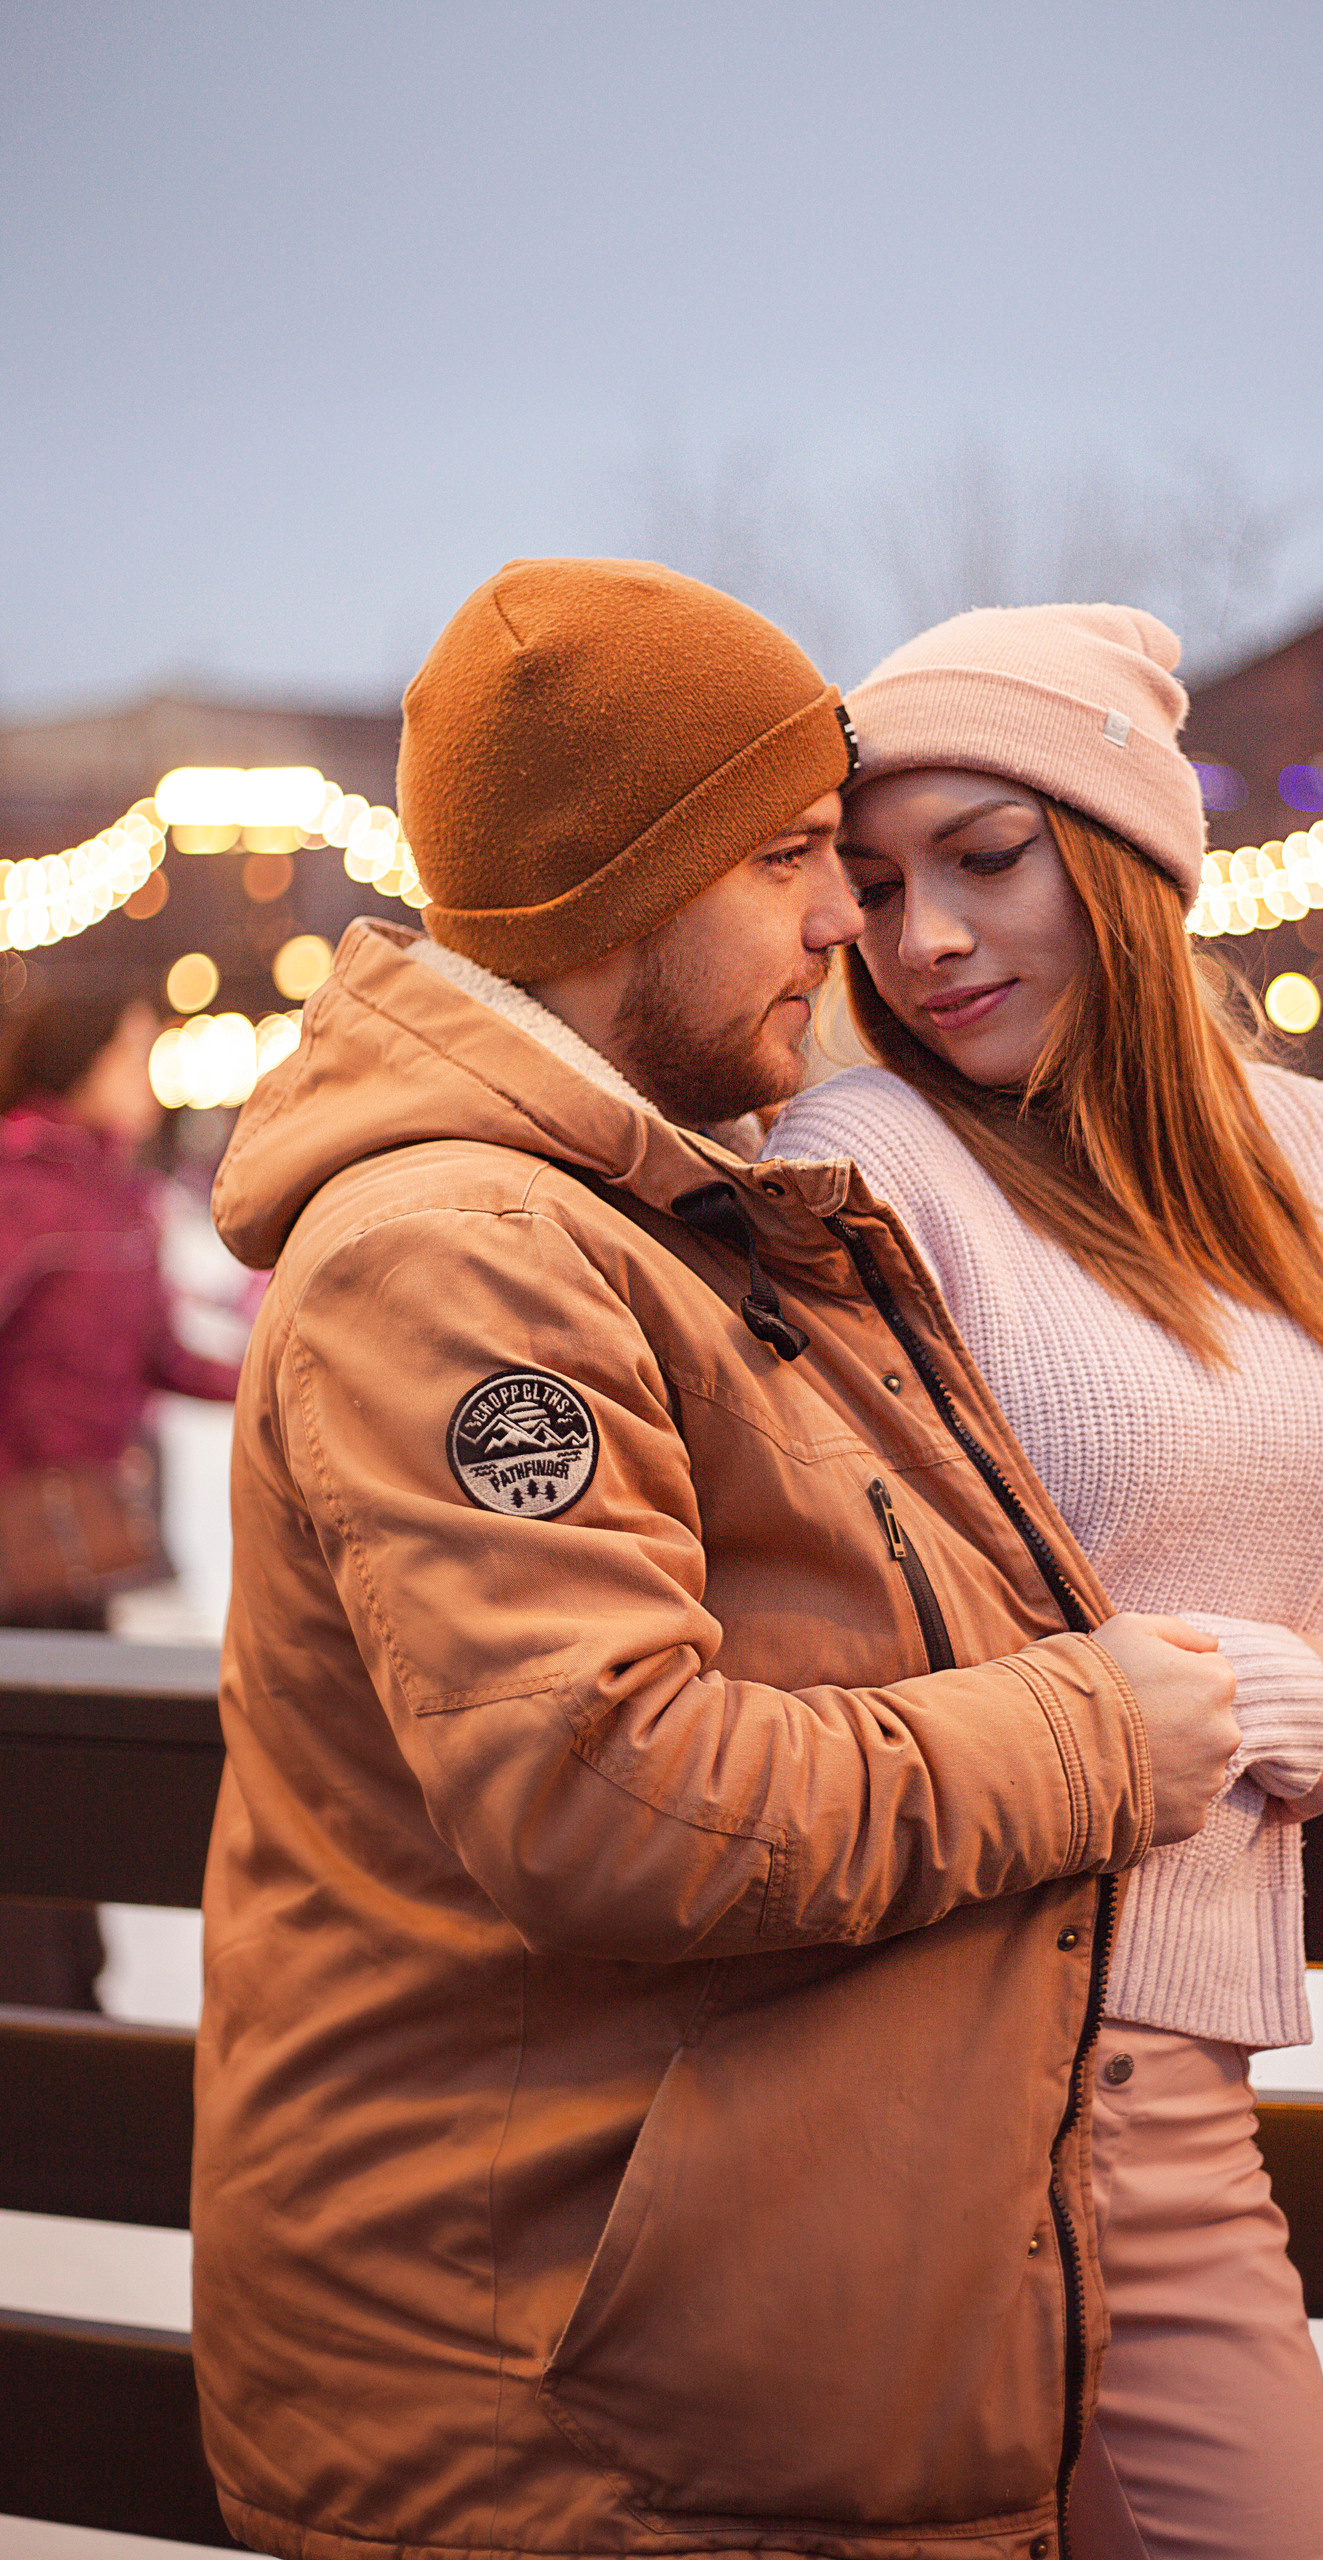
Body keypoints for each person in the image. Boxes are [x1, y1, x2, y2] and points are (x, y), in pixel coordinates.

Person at [192, 560, 1244, 2560]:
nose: (844, 918)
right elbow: (611, 1791)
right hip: (553, 2432)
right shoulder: (467, 1256)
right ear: (619, 885)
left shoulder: (661, 1206)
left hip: (698, 2374)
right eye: (785, 857)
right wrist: (1103, 1734)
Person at [767, 602, 1323, 2560]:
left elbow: (1271, 1575)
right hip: (944, 2064)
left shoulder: (1318, 1153)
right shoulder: (866, 1155)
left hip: (1158, 2065)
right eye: (873, 882)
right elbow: (871, 1617)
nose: (921, 935)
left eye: (985, 858)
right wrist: (1261, 1689)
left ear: (1128, 857)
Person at [0, 988, 241, 2008]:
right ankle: (41, 2019)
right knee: (26, 1785)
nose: (154, 1075)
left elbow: (160, 1354)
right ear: (85, 1058)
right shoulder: (20, 1183)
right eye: (139, 1050)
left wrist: (289, 1364)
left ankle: (72, 1999)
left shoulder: (119, 1192)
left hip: (77, 1545)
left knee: (66, 1785)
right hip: (13, 1538)